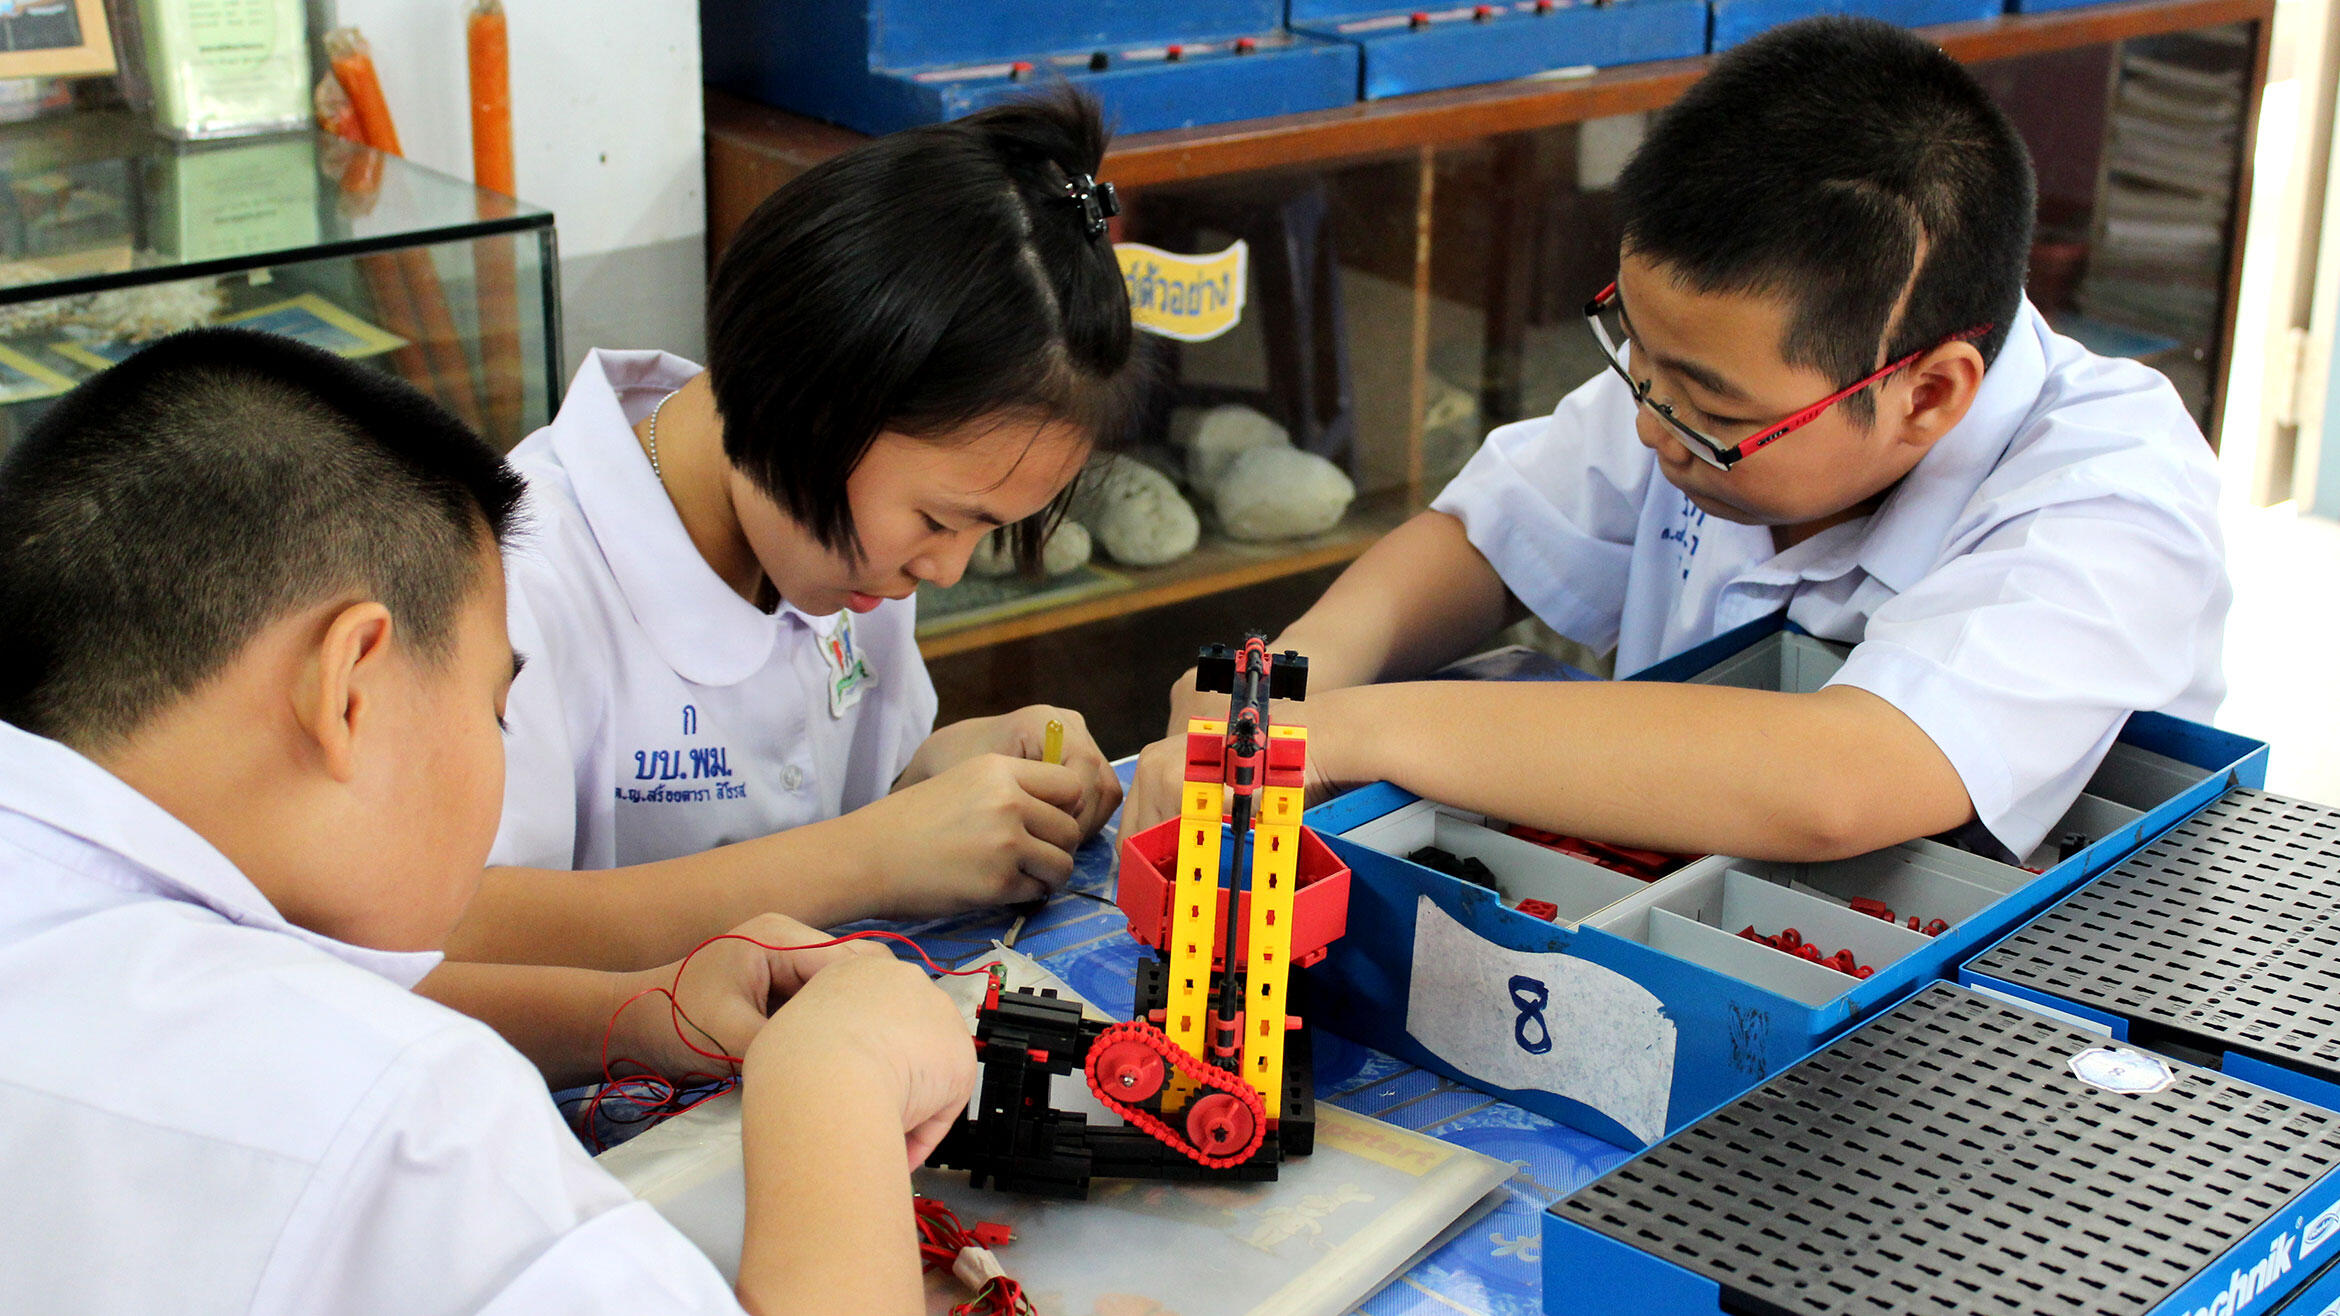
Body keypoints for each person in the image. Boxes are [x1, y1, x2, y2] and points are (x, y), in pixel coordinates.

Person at [0, 329, 973, 1314]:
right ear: (349, 687)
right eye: (493, 706)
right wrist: (832, 1080)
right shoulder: (414, 1122)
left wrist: (631, 1009)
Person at [1128, 16, 2228, 868]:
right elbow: (1481, 539)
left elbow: (1836, 779)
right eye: (1635, 357)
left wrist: (1339, 736)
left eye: (1708, 404)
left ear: (1929, 393)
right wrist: (1280, 683)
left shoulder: (2114, 498)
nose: (1652, 422)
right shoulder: (1707, 377)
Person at [451, 89, 1142, 974]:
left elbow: (834, 797)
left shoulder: (843, 546)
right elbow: (452, 933)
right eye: (938, 519)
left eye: (986, 531)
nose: (943, 565)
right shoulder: (518, 584)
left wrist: (944, 776)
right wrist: (868, 858)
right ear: (814, 404)